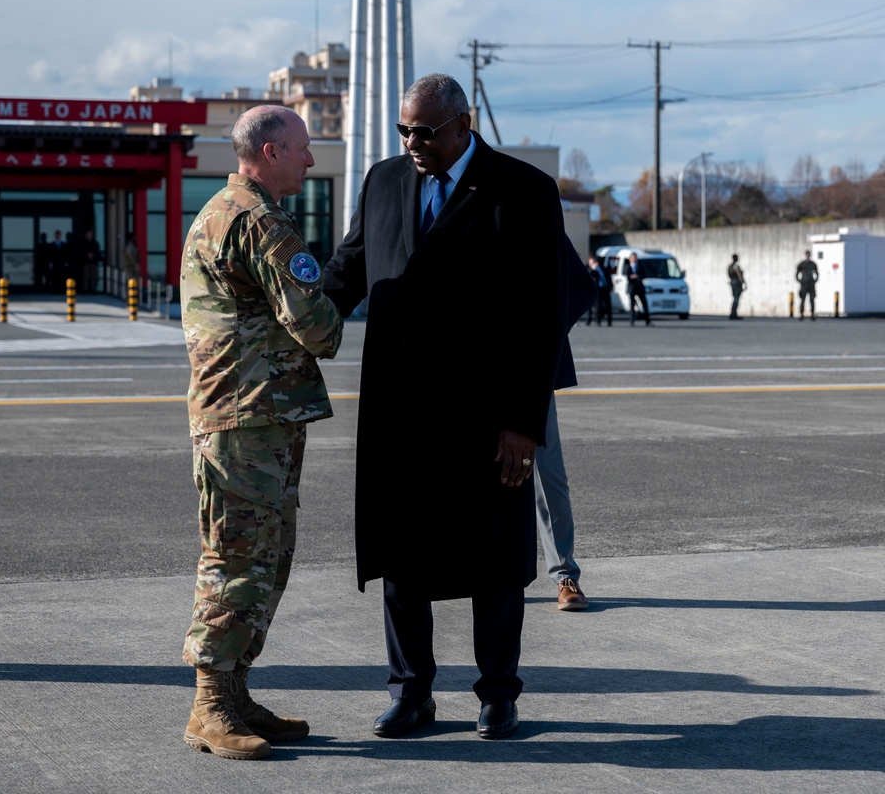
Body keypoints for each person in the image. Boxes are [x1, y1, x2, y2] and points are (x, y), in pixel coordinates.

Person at [323, 73, 573, 741]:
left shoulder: (521, 191)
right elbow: (347, 272)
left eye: (424, 131)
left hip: (487, 415)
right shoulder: (381, 183)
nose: (411, 142)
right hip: (400, 413)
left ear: (465, 124)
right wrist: (291, 318)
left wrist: (524, 422)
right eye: (404, 130)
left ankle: (498, 695)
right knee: (402, 558)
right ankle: (411, 694)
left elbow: (545, 314)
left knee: (494, 560)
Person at [178, 104, 343, 761]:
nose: (309, 159)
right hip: (246, 419)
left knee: (264, 558)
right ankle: (210, 705)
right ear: (270, 152)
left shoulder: (223, 210)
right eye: (302, 148)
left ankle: (235, 693)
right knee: (238, 560)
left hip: (253, 416)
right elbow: (319, 327)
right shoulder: (258, 220)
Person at [538, 238, 597, 613]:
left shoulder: (528, 199)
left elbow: (582, 285)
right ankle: (471, 572)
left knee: (547, 475)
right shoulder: (440, 200)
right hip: (460, 365)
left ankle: (564, 575)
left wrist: (542, 337)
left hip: (526, 368)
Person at [623, 252, 651, 326]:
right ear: (630, 259)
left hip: (640, 287)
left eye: (635, 257)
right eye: (633, 257)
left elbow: (643, 275)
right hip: (632, 288)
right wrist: (633, 277)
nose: (634, 259)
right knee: (632, 305)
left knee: (644, 303)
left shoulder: (640, 266)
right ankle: (632, 321)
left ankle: (647, 320)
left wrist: (637, 276)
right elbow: (628, 276)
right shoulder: (628, 267)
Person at [585, 254, 612, 326]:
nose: (593, 264)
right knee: (598, 306)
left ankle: (609, 321)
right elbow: (590, 275)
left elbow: (608, 277)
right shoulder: (589, 270)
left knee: (608, 305)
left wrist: (610, 286)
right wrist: (593, 269)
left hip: (605, 288)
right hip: (597, 290)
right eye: (591, 263)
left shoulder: (602, 268)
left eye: (594, 262)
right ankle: (597, 320)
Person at [796, 249, 818, 320]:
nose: (808, 256)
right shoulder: (802, 264)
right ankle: (801, 314)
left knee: (812, 300)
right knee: (803, 300)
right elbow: (797, 273)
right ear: (805, 255)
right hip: (804, 284)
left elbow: (817, 273)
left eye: (809, 255)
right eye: (807, 255)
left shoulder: (813, 264)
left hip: (811, 284)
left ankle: (812, 314)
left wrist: (815, 280)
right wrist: (799, 281)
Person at [80, 229, 101, 293]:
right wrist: (87, 255)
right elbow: (81, 252)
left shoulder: (95, 243)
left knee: (93, 277)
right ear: (86, 235)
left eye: (90, 234)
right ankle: (86, 290)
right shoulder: (83, 243)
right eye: (88, 234)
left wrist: (93, 255)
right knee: (86, 277)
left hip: (93, 262)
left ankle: (93, 290)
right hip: (86, 262)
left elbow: (98, 252)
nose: (89, 236)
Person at [728, 253, 746, 320]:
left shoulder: (730, 266)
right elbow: (739, 276)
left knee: (735, 298)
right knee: (736, 299)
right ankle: (733, 314)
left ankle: (733, 313)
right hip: (736, 283)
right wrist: (743, 283)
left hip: (732, 282)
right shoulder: (735, 266)